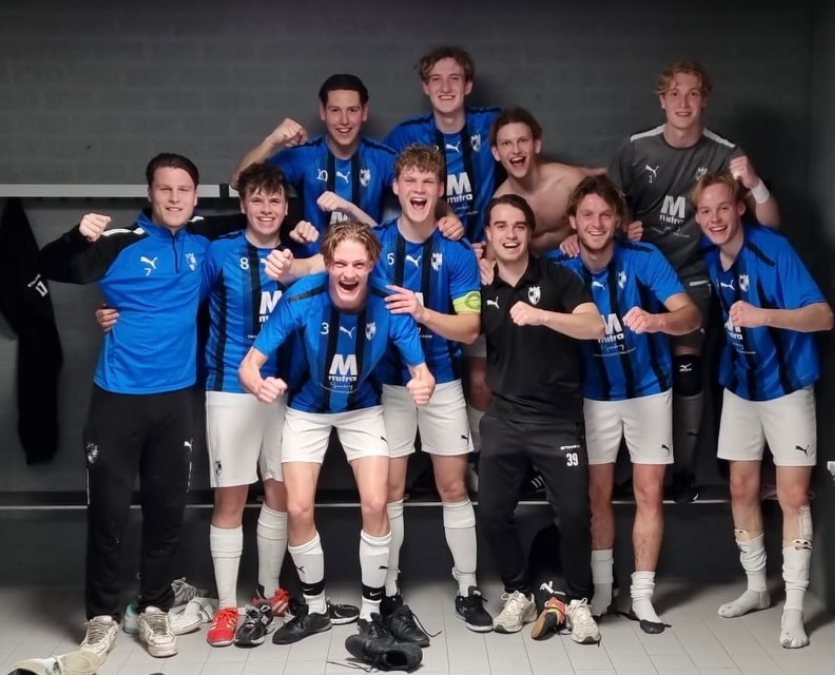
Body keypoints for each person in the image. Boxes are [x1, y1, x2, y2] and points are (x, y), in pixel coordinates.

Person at [39, 153, 243, 659]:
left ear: (195, 196)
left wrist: (303, 228)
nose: (174, 198)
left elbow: (259, 218)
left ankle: (153, 607)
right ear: (150, 193)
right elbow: (49, 264)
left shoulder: (202, 240)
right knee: (108, 514)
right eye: (165, 189)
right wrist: (75, 236)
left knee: (166, 511)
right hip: (118, 399)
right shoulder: (117, 245)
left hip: (174, 400)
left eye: (183, 189)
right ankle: (101, 617)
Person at [238, 220, 436, 645]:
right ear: (326, 263)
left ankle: (371, 612)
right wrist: (257, 384)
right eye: (340, 264)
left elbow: (423, 372)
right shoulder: (301, 297)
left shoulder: (390, 301)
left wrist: (423, 384)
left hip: (362, 408)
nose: (348, 273)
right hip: (307, 409)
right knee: (297, 509)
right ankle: (315, 610)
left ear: (372, 265)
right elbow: (249, 365)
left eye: (358, 265)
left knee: (376, 503)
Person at [604, 60, 781, 502]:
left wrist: (755, 183)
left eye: (693, 93)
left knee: (686, 370)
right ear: (662, 100)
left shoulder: (724, 153)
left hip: (693, 275)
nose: (683, 103)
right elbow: (606, 208)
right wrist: (624, 225)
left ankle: (682, 472)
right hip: (641, 272)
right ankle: (638, 471)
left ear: (705, 100)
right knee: (632, 368)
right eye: (675, 93)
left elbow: (770, 223)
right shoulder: (636, 148)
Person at [545, 176, 700, 631]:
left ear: (618, 220)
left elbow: (690, 315)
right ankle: (600, 591)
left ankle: (643, 596)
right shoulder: (558, 264)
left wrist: (658, 320)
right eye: (586, 215)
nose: (596, 223)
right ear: (572, 221)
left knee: (649, 492)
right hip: (593, 395)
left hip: (649, 389)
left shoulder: (643, 257)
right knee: (596, 494)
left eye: (605, 214)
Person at [692, 171, 832, 649]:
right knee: (741, 486)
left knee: (793, 496)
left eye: (722, 208)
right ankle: (757, 588)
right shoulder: (709, 251)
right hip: (740, 386)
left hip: (787, 387)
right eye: (705, 211)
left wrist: (764, 315)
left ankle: (793, 609)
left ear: (740, 208)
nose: (714, 218)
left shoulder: (774, 249)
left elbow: (823, 316)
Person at [372, 145, 491, 636]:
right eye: (410, 181)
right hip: (389, 384)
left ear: (441, 190)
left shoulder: (457, 254)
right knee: (390, 491)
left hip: (442, 383)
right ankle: (389, 589)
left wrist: (422, 313)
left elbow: (469, 328)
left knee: (453, 487)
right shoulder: (375, 244)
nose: (419, 190)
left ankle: (468, 587)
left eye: (428, 182)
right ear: (396, 187)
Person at [477, 194, 603, 642]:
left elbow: (595, 326)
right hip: (505, 418)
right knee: (491, 513)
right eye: (500, 226)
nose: (510, 235)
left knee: (574, 516)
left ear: (530, 232)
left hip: (557, 421)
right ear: (488, 234)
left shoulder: (558, 278)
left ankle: (579, 601)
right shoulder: (481, 285)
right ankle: (518, 593)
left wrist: (542, 316)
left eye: (518, 226)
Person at [385, 46, 500, 467]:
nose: (446, 87)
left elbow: (532, 169)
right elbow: (393, 195)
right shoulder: (405, 135)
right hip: (439, 257)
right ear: (424, 86)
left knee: (481, 376)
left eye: (455, 78)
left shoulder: (491, 123)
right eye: (436, 79)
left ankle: (482, 463)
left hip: (479, 264)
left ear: (468, 85)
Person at [231, 74, 395, 256]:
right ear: (323, 112)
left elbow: (418, 192)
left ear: (364, 112)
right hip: (311, 264)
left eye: (352, 110)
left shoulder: (381, 158)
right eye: (335, 110)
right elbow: (238, 181)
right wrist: (271, 141)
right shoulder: (305, 156)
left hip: (365, 263)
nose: (344, 120)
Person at [490, 107, 588, 254]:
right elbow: (492, 258)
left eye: (523, 140)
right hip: (535, 267)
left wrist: (580, 237)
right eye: (506, 143)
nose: (516, 150)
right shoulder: (499, 204)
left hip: (577, 260)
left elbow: (605, 222)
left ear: (536, 144)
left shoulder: (570, 181)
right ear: (496, 153)